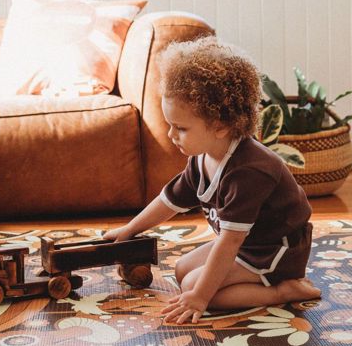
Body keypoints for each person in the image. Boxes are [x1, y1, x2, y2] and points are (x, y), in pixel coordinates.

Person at [103, 36, 320, 324]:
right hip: (247, 243)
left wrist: (201, 298)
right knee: (182, 271)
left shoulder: (249, 171)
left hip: (275, 250)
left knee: (196, 288)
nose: (171, 135)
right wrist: (129, 230)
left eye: (180, 128)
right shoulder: (202, 157)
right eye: (170, 126)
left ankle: (282, 290)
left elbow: (229, 243)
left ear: (219, 126)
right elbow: (169, 201)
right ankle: (247, 286)